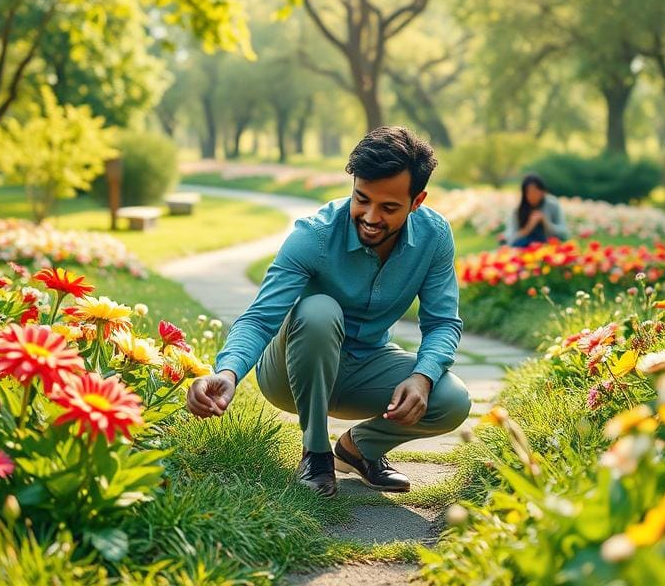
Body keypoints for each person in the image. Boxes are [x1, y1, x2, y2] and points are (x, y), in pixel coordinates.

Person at [185, 127, 471, 498]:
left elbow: (443, 322)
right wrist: (227, 372)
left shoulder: (434, 236)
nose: (370, 217)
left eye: (388, 207)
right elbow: (260, 318)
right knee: (320, 309)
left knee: (452, 399)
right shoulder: (315, 235)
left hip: (364, 364)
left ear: (417, 201)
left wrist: (422, 377)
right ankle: (315, 452)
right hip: (290, 371)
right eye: (362, 199)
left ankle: (358, 449)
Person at [507, 174, 568, 247]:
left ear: (543, 192)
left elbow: (564, 233)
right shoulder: (518, 209)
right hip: (526, 245)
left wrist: (545, 222)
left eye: (535, 192)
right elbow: (510, 239)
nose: (532, 196)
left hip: (548, 243)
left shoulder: (552, 204)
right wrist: (528, 227)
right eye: (529, 193)